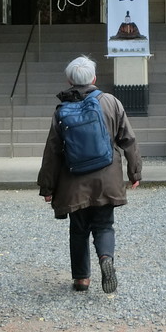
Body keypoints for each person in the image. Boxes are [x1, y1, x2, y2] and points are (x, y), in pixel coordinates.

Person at [37, 55, 142, 294]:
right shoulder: (112, 102)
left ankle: (82, 279)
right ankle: (106, 258)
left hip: (74, 181)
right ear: (94, 78)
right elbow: (128, 140)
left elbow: (52, 151)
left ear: (69, 80)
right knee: (104, 225)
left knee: (78, 229)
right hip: (108, 179)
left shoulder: (62, 109)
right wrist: (134, 172)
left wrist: (47, 187)